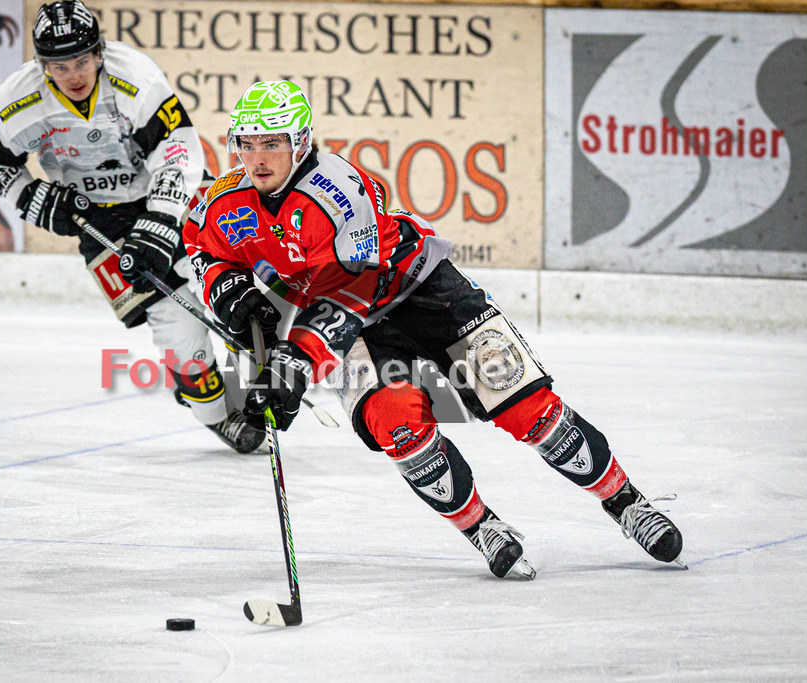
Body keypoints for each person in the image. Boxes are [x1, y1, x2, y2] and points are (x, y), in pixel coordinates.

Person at [183, 80, 685, 578]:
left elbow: (349, 292)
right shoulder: (227, 199)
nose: (258, 159)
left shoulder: (342, 190)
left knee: (524, 405)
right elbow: (202, 244)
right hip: (356, 332)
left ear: (301, 142)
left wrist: (293, 362)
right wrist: (228, 289)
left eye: (272, 144)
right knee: (398, 424)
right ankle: (483, 528)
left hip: (421, 290)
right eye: (247, 145)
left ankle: (627, 504)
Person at [0, 0, 264, 453]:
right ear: (41, 65)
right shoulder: (16, 100)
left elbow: (179, 148)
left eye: (82, 60)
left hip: (168, 194)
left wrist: (163, 216)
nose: (74, 75)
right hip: (98, 216)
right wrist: (30, 197)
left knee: (240, 286)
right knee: (177, 330)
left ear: (100, 52)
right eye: (59, 65)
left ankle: (267, 377)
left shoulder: (134, 77)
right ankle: (215, 414)